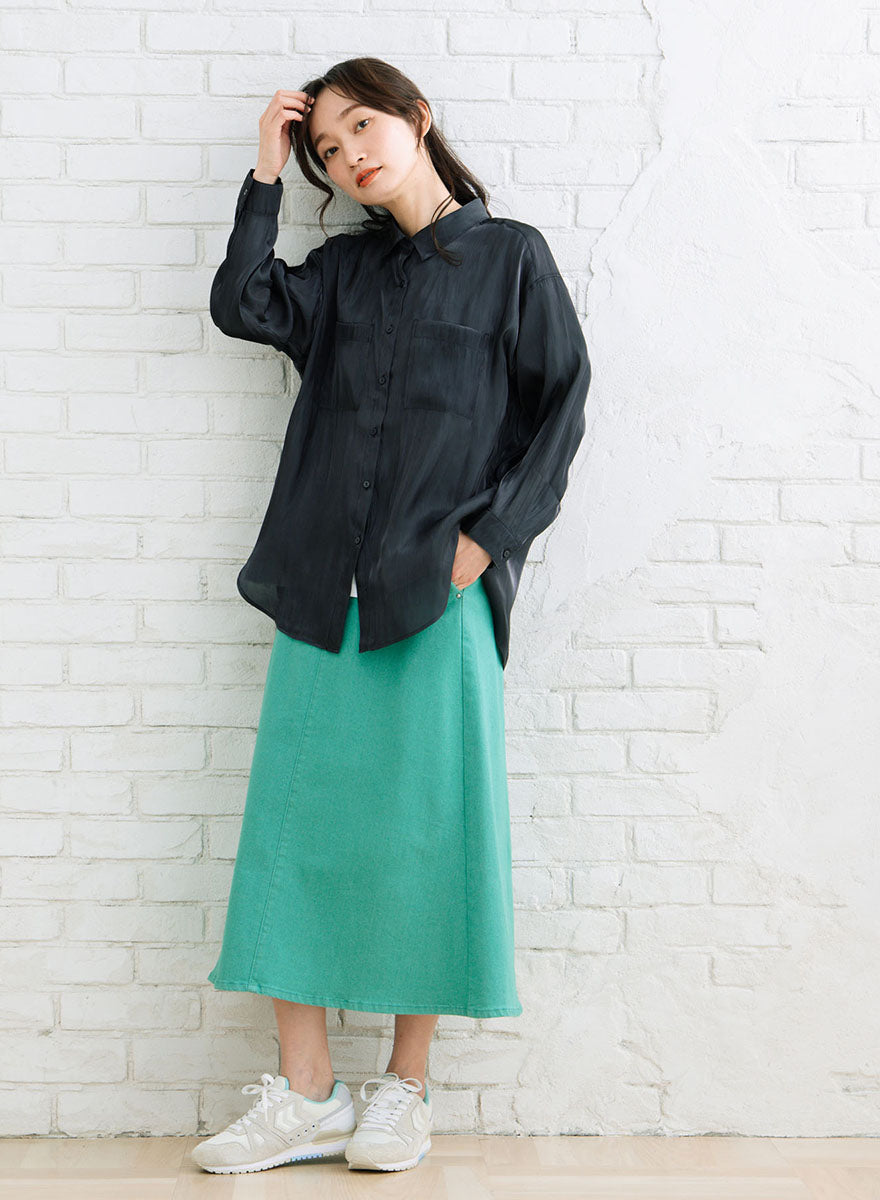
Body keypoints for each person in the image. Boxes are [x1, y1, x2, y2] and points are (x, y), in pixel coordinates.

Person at [191, 56, 591, 1176]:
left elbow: (560, 408)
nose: (349, 154)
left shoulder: (512, 259)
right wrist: (266, 174)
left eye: (362, 126)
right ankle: (306, 1092)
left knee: (429, 831)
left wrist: (485, 541)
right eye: (327, 147)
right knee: (294, 827)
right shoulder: (339, 274)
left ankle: (403, 1089)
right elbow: (241, 304)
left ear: (417, 118)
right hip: (323, 588)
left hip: (438, 596)